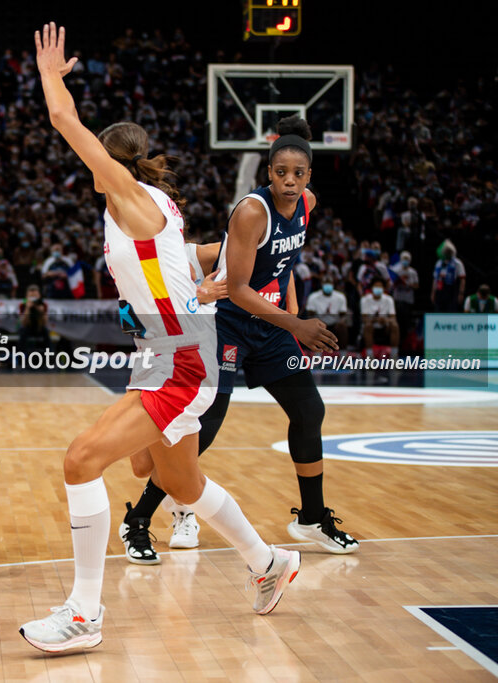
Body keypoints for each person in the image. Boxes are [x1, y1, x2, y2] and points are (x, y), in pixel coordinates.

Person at [19, 24, 301, 654]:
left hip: (180, 357)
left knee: (80, 459)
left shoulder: (132, 197)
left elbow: (64, 120)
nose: (86, 167)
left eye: (97, 160)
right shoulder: (143, 208)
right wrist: (214, 277)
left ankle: (84, 615)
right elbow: (190, 257)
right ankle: (267, 562)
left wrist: (49, 79)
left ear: (110, 165)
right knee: (180, 482)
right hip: (164, 350)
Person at [118, 113, 358, 567]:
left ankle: (310, 517)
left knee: (309, 410)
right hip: (228, 322)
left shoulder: (306, 203)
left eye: (298, 174)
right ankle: (139, 519)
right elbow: (242, 290)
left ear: (309, 176)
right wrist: (298, 324)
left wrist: (289, 312)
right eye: (281, 173)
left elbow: (284, 265)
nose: (289, 181)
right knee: (204, 428)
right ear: (268, 173)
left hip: (270, 328)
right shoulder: (251, 211)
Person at [305, 277, 349, 349]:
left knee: (343, 327)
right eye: (325, 283)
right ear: (322, 284)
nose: (327, 285)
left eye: (329, 283)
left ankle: (343, 353)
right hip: (320, 324)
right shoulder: (313, 297)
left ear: (333, 284)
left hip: (335, 324)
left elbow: (343, 315)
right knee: (314, 326)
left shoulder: (340, 297)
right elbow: (310, 315)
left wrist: (341, 322)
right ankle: (317, 353)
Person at [361, 277, 399, 357]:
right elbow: (364, 318)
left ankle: (394, 356)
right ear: (371, 288)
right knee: (367, 325)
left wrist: (385, 320)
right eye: (376, 286)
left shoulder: (389, 299)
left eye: (380, 287)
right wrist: (375, 320)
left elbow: (393, 317)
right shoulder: (365, 299)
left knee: (395, 325)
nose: (378, 289)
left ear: (383, 288)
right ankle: (370, 357)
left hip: (385, 327)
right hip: (371, 326)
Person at [432, 241, 465, 313]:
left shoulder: (457, 263)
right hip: (440, 289)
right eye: (445, 251)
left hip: (451, 289)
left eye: (448, 251)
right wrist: (433, 292)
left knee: (451, 310)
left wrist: (461, 293)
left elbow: (462, 279)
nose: (447, 253)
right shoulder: (439, 263)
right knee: (438, 310)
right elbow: (435, 279)